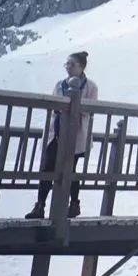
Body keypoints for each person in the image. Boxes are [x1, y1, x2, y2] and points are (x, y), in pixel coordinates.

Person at [26, 51, 98, 219]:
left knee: (70, 169)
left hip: (76, 133)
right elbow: (52, 106)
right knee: (47, 167)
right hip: (56, 131)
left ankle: (74, 204)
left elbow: (91, 110)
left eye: (72, 64)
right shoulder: (60, 84)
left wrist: (73, 108)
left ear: (81, 67)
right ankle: (40, 205)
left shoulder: (91, 87)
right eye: (67, 64)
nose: (69, 68)